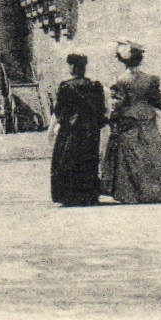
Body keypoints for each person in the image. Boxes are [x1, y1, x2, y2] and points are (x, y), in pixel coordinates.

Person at [101, 42, 161, 203]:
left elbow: (119, 104)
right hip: (147, 119)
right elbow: (157, 101)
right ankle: (160, 192)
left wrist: (112, 118)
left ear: (122, 60)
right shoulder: (150, 79)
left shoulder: (120, 80)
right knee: (152, 154)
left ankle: (133, 193)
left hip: (128, 120)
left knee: (131, 157)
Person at [51, 54, 107, 206]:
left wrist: (59, 125)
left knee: (69, 160)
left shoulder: (65, 86)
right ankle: (89, 195)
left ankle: (70, 196)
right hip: (90, 130)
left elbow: (59, 110)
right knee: (89, 160)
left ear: (73, 67)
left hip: (71, 130)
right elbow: (101, 109)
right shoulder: (95, 85)